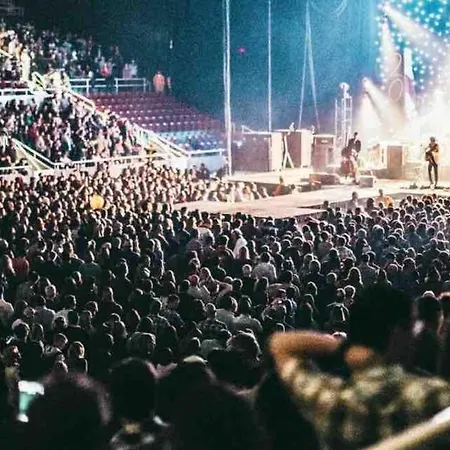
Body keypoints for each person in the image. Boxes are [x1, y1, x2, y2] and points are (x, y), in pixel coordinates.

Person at [270, 285, 450, 449]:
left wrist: (344, 348)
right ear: (397, 334)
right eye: (412, 327)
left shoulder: (331, 400)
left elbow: (280, 344)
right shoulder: (433, 397)